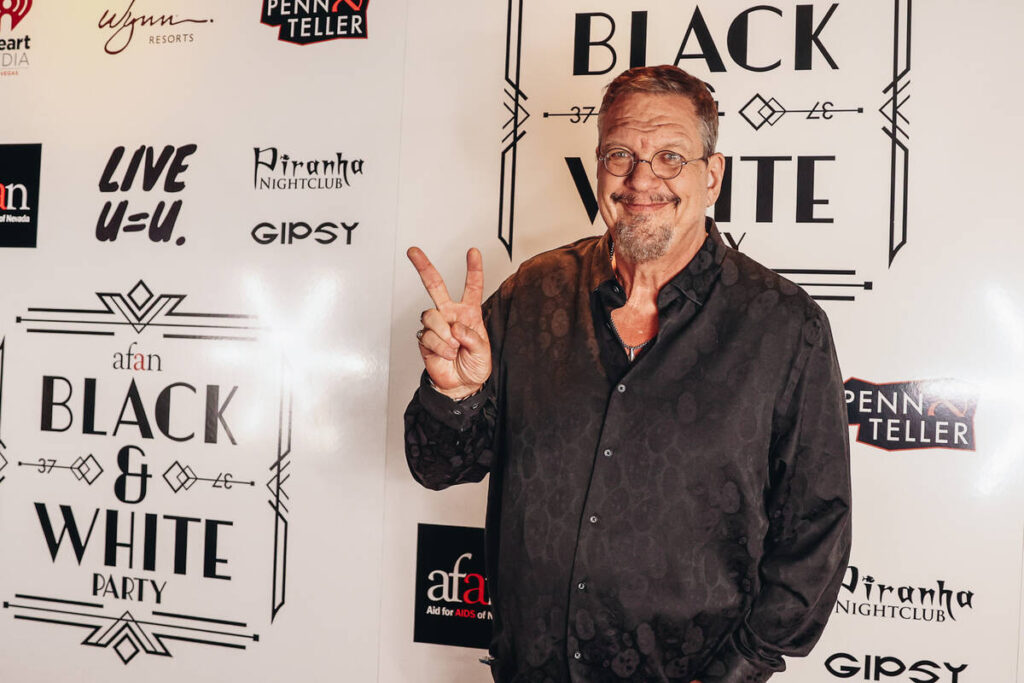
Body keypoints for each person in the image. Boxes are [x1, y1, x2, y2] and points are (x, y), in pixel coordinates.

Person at [404, 65, 851, 683]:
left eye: (670, 156)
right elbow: (439, 467)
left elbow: (816, 528)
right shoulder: (533, 294)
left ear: (712, 175)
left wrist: (735, 672)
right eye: (620, 154)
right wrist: (454, 392)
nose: (642, 179)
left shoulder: (783, 326)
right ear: (596, 167)